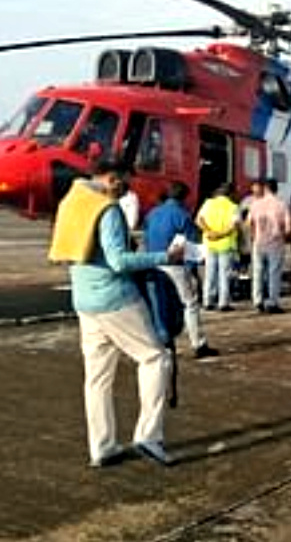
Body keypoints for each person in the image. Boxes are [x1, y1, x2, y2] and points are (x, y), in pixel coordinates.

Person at [48, 158, 178, 468]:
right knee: (154, 358)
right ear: (112, 178)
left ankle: (102, 446)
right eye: (125, 181)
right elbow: (118, 261)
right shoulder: (107, 209)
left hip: (83, 299)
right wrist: (165, 256)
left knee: (97, 378)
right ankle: (149, 436)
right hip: (115, 298)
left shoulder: (72, 200)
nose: (128, 188)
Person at [142, 181, 217, 360]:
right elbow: (191, 246)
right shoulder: (182, 215)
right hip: (174, 265)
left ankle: (162, 340)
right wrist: (192, 270)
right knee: (189, 303)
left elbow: (145, 237)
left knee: (159, 303)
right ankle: (198, 343)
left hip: (153, 262)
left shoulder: (153, 213)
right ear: (185, 197)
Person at [196, 183, 241, 313]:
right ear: (230, 194)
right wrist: (220, 235)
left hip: (209, 243)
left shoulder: (208, 203)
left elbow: (199, 220)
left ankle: (207, 301)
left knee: (209, 273)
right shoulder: (233, 207)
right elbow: (234, 226)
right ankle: (223, 303)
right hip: (225, 244)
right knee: (224, 274)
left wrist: (210, 232)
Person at [248, 178, 291, 314]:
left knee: (258, 272)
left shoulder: (255, 204)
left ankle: (257, 300)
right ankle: (272, 302)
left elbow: (249, 222)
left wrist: (254, 236)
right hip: (275, 243)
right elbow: (289, 227)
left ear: (265, 188)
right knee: (274, 272)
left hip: (259, 242)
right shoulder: (282, 205)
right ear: (276, 189)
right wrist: (283, 237)